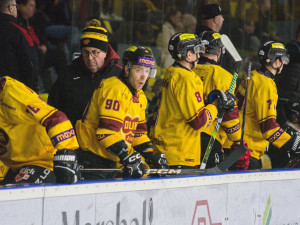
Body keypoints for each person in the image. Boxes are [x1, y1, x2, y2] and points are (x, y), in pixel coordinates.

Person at [75, 46, 168, 179]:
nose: (143, 76)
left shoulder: (140, 96)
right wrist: (127, 156)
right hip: (93, 159)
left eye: (147, 71)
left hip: (112, 158)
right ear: (126, 69)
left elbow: (138, 134)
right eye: (139, 70)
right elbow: (107, 133)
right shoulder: (114, 88)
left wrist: (151, 156)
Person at [150, 32, 235, 169]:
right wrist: (216, 105)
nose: (199, 55)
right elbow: (199, 122)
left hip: (165, 147)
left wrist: (207, 101)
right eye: (197, 51)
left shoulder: (171, 71)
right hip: (180, 153)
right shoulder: (187, 78)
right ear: (188, 55)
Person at [0, 76, 80, 184]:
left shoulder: (9, 92)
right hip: (14, 166)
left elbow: (56, 118)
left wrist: (66, 153)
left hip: (42, 161)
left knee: (17, 195)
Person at [235, 41, 300, 170]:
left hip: (236, 144)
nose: (284, 64)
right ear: (276, 62)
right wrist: (291, 142)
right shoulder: (266, 85)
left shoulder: (253, 75)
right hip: (248, 149)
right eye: (284, 60)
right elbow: (268, 128)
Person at [48, 19, 122, 127]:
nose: (90, 58)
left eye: (95, 52)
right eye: (85, 52)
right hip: (71, 139)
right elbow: (53, 107)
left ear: (106, 53)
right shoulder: (69, 73)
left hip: (105, 141)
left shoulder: (118, 75)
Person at [192, 31, 250, 169]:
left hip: (186, 138)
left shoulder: (188, 71)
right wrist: (237, 141)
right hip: (209, 138)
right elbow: (229, 114)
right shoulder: (224, 76)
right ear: (219, 51)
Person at [0, 0, 39, 91]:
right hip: (12, 93)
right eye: (16, 6)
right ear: (10, 8)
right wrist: (31, 93)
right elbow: (31, 65)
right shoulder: (19, 32)